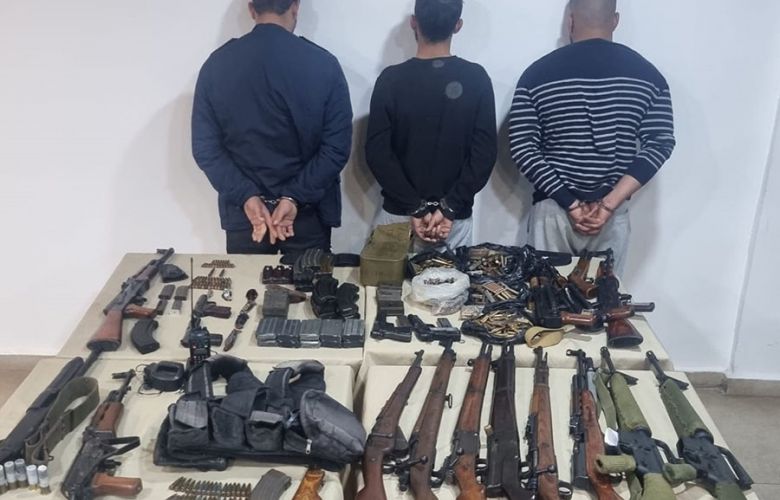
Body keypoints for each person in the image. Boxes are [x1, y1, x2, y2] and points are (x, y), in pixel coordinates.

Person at [509, 0, 675, 274]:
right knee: (604, 299)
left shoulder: (537, 75)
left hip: (553, 209)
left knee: (545, 297)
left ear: (571, 21)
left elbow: (522, 146)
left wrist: (570, 203)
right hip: (611, 212)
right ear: (615, 20)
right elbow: (660, 143)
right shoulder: (648, 76)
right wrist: (609, 204)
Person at [192, 0, 353, 255]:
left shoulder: (216, 65)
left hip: (248, 217)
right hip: (306, 214)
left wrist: (247, 196)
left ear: (252, 9)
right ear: (295, 7)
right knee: (310, 282)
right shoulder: (324, 64)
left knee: (247, 283)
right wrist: (293, 196)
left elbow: (206, 149)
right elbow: (336, 148)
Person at [366, 0, 497, 251]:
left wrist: (415, 207)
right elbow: (484, 155)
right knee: (452, 278)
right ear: (458, 25)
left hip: (398, 216)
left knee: (386, 279)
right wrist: (448, 207)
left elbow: (377, 153)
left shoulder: (390, 80)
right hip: (452, 221)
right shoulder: (477, 79)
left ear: (413, 23)